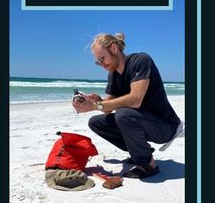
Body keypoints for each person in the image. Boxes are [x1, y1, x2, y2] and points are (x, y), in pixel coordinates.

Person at [72, 33, 181, 178]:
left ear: (114, 48)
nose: (102, 64)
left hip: (165, 127)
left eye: (102, 58)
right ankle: (141, 151)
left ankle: (147, 164)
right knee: (96, 122)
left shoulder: (140, 60)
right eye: (98, 61)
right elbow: (107, 109)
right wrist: (95, 101)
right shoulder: (113, 74)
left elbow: (135, 100)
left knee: (123, 114)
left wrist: (96, 106)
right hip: (142, 122)